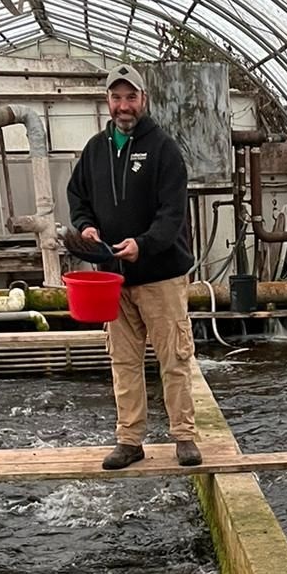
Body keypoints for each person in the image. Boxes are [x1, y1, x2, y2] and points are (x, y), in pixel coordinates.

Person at [66, 63, 202, 469]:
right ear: (108, 101)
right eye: (116, 97)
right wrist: (87, 227)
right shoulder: (95, 149)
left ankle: (184, 437)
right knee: (123, 361)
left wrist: (143, 246)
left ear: (143, 99)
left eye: (130, 97)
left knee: (173, 358)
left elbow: (171, 212)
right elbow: (78, 196)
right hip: (113, 279)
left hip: (160, 275)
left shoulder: (163, 149)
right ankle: (130, 440)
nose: (123, 105)